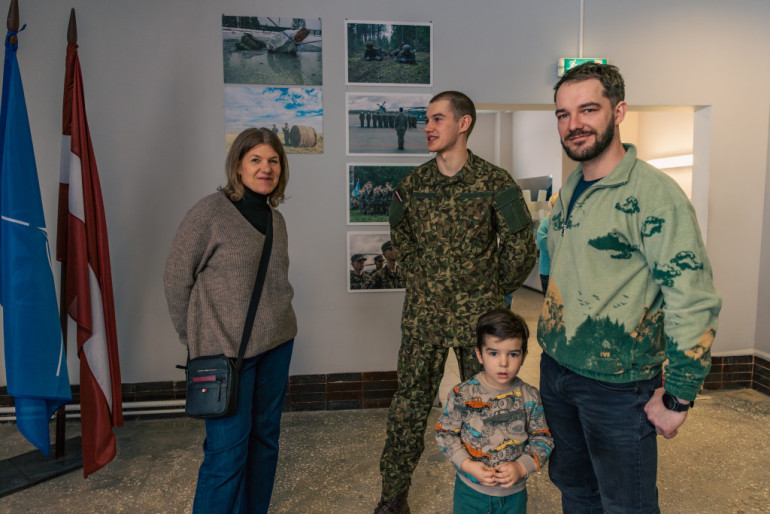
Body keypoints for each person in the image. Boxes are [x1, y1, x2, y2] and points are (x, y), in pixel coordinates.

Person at [538, 62, 722, 513]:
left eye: (587, 110)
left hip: (617, 385)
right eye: (563, 114)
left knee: (626, 504)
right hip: (558, 370)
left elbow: (692, 298)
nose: (573, 124)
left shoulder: (655, 195)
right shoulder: (571, 188)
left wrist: (679, 395)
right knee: (575, 489)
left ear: (618, 111)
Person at [376, 91, 537, 513]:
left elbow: (522, 246)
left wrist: (491, 289)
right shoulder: (412, 186)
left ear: (463, 124)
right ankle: (392, 499)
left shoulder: (495, 182)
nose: (427, 127)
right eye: (426, 120)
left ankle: (488, 494)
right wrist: (419, 278)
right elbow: (400, 239)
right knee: (408, 411)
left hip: (479, 326)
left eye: (437, 119)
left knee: (489, 412)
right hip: (423, 321)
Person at [164, 128, 297, 514]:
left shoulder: (277, 220)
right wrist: (195, 338)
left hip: (277, 346)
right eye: (255, 159)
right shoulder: (210, 212)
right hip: (224, 358)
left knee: (265, 442)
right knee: (226, 455)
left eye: (273, 160)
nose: (265, 168)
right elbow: (176, 277)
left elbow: (275, 283)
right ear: (238, 166)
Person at [436, 309, 553, 514]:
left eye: (513, 354)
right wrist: (467, 464)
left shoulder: (530, 397)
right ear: (479, 354)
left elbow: (543, 439)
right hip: (469, 492)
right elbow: (445, 433)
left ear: (524, 356)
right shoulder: (462, 394)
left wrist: (522, 467)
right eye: (493, 353)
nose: (503, 362)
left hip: (513, 496)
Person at [535, 193, 558, 294]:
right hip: (548, 270)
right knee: (551, 303)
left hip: (563, 271)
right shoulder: (546, 223)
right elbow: (543, 243)